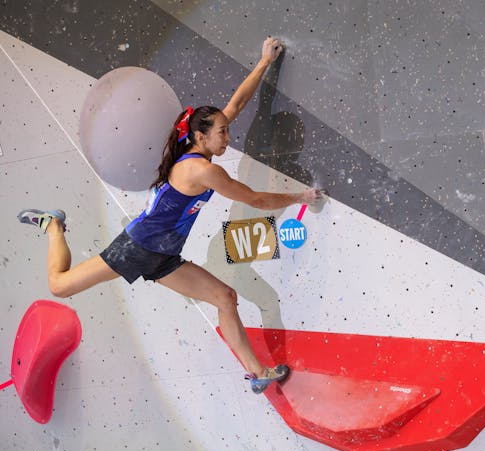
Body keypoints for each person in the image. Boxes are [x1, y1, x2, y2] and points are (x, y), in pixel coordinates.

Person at [17, 37, 320, 394]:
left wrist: (263, 61)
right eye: (223, 133)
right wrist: (302, 195)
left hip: (163, 256)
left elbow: (236, 103)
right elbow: (254, 199)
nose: (228, 137)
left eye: (227, 130)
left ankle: (258, 374)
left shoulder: (202, 148)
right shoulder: (201, 171)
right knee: (59, 286)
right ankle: (53, 225)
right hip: (137, 247)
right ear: (199, 136)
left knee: (225, 298)